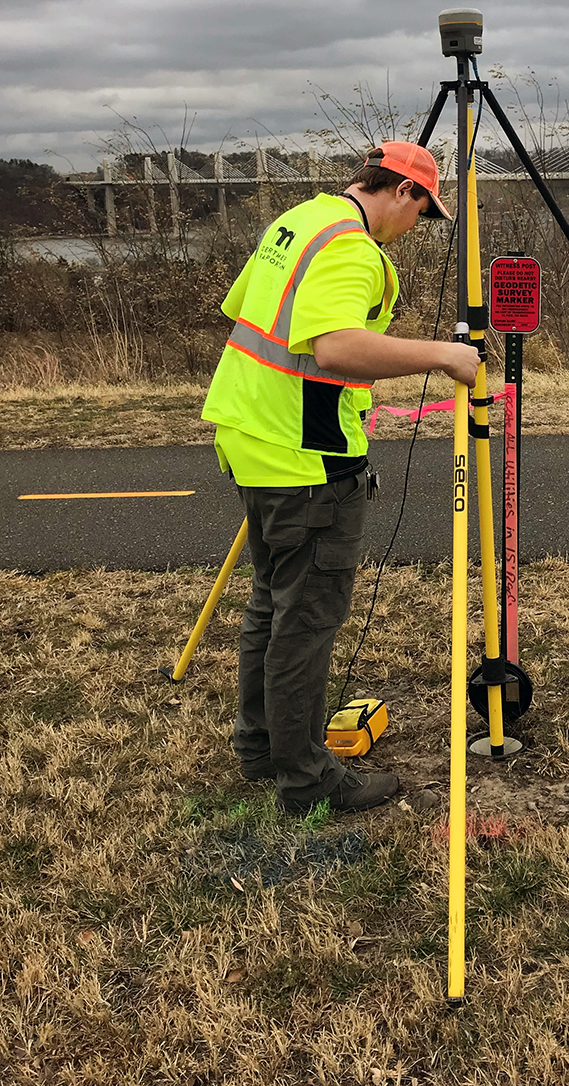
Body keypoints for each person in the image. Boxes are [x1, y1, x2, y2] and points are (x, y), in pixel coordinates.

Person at [201, 142, 480, 813]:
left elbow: (248, 314)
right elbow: (334, 344)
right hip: (305, 457)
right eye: (422, 213)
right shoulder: (354, 248)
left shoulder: (300, 221)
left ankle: (262, 744)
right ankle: (306, 776)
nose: (415, 229)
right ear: (404, 192)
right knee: (308, 617)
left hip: (249, 434)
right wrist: (443, 354)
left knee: (273, 599)